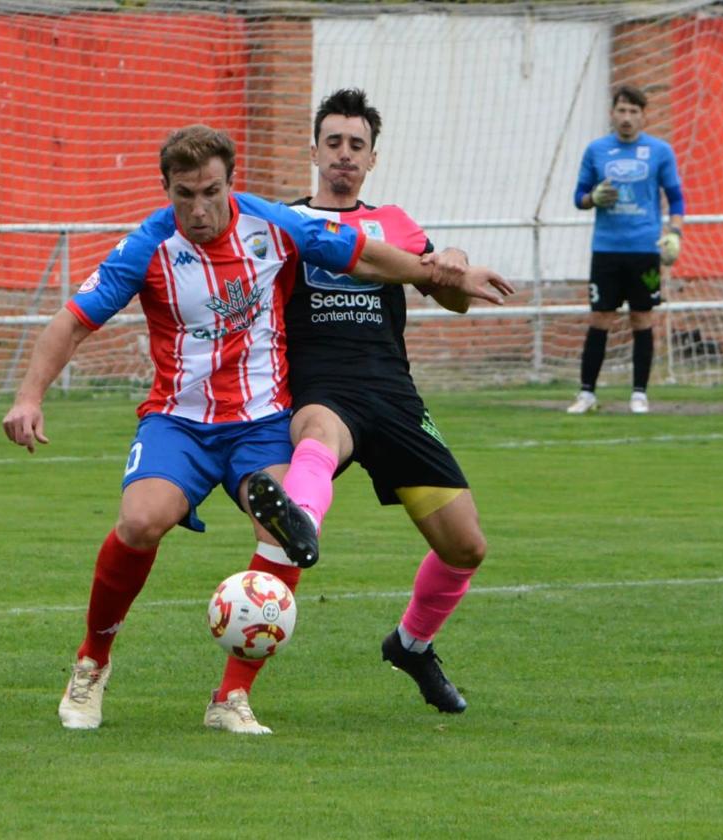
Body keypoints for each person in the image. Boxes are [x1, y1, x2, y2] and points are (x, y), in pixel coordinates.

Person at [1, 124, 511, 734]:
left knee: (283, 526)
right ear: (166, 189)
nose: (198, 208)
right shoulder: (146, 246)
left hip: (262, 422)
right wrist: (29, 397)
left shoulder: (274, 224)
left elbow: (364, 254)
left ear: (230, 183)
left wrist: (440, 276)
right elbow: (72, 323)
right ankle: (92, 663)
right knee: (139, 522)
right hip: (179, 422)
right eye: (184, 194)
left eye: (210, 191)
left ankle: (231, 697)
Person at [210, 89, 515, 725]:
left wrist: (452, 262)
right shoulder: (285, 223)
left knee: (466, 548)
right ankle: (235, 684)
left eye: (356, 145)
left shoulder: (396, 222)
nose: (344, 155)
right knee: (315, 445)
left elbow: (447, 293)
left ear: (372, 159)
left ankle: (411, 645)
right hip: (321, 388)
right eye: (333, 143)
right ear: (314, 150)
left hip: (395, 398)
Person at [568, 84, 685, 415]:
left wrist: (675, 232)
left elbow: (676, 197)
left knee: (642, 317)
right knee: (600, 317)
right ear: (612, 113)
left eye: (634, 111)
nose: (627, 118)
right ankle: (587, 394)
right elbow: (579, 197)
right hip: (606, 249)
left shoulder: (660, 151)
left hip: (645, 249)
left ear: (644, 116)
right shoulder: (596, 151)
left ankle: (639, 394)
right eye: (621, 110)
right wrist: (595, 198)